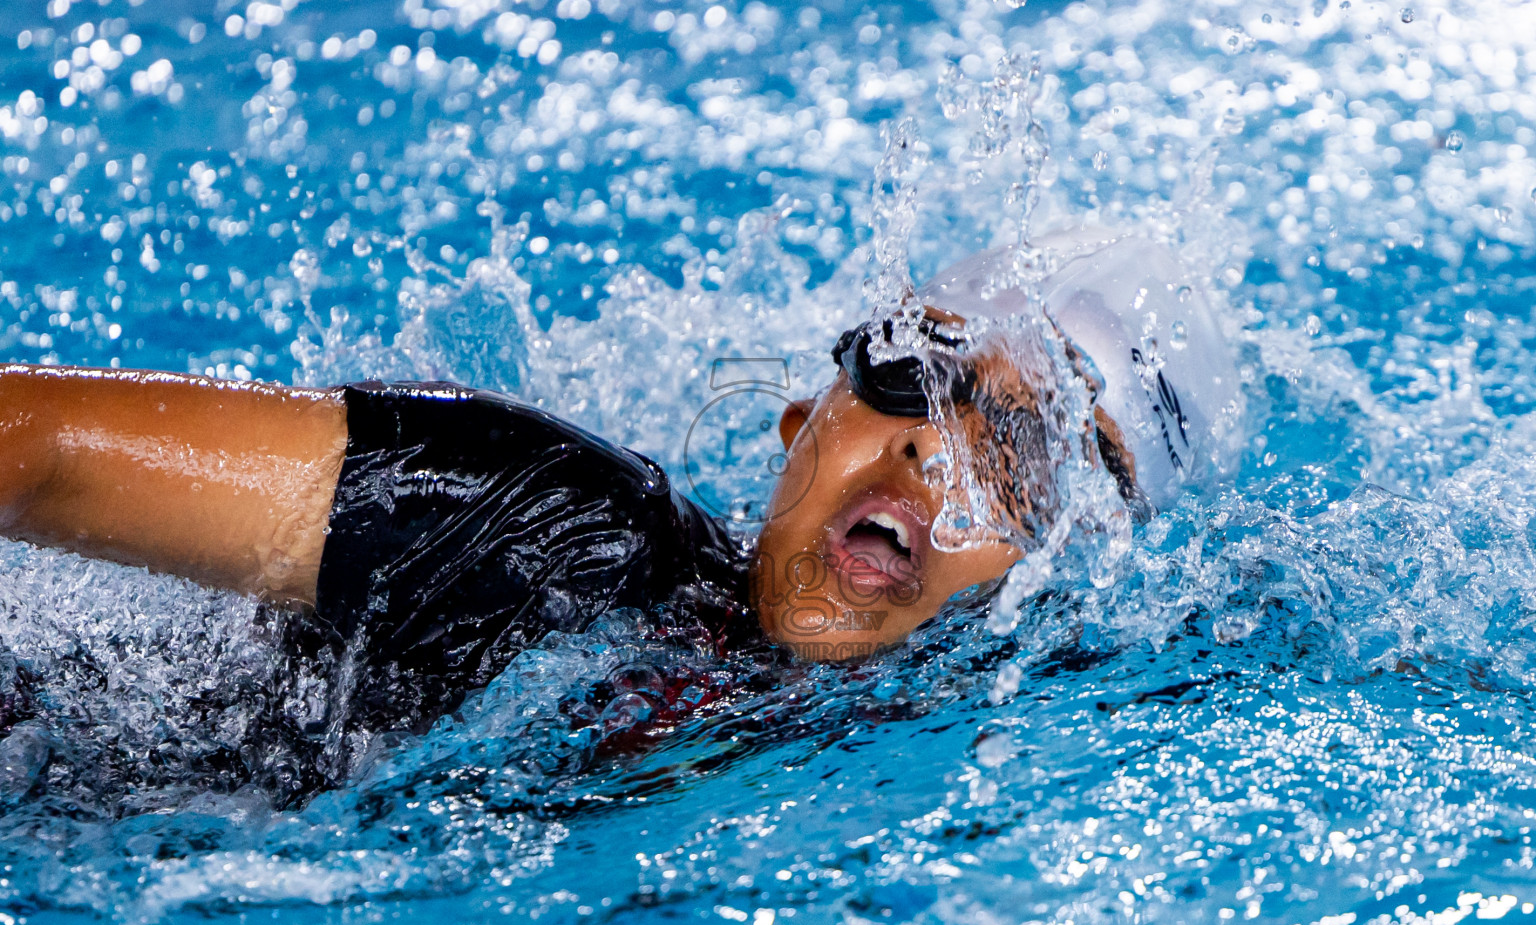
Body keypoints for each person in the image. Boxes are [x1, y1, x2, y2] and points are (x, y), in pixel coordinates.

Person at [0, 230, 1240, 786]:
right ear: (801, 425)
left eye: (1028, 456)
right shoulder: (554, 529)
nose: (935, 444)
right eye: (914, 368)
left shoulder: (974, 741)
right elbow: (34, 453)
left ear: (1066, 575)